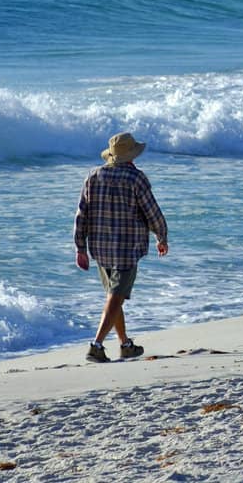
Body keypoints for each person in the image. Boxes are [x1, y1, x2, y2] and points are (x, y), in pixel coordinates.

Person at [72, 132, 169, 362]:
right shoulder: (137, 179)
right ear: (131, 156)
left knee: (113, 296)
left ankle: (125, 344)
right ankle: (96, 345)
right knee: (115, 297)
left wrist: (80, 247)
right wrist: (161, 236)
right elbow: (152, 212)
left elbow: (81, 214)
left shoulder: (93, 176)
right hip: (127, 247)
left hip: (100, 247)